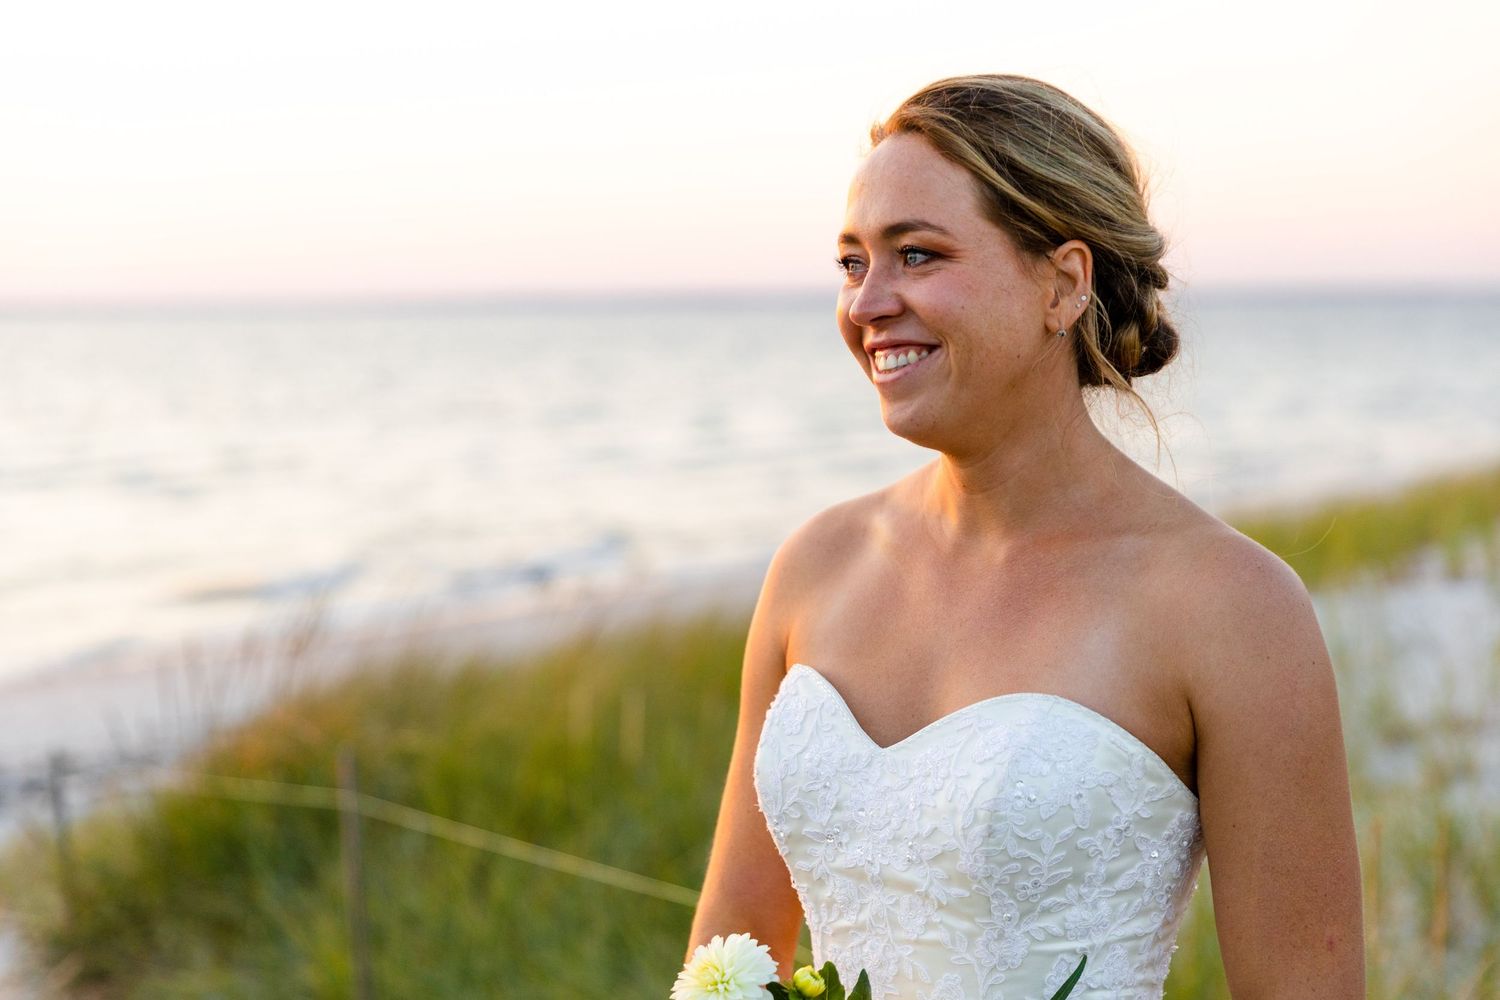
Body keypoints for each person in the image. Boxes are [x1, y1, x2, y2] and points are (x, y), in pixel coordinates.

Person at [684, 74, 1364, 999]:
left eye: (917, 255)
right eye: (852, 263)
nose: (867, 303)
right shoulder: (814, 567)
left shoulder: (1231, 607)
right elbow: (727, 961)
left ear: (1063, 284)